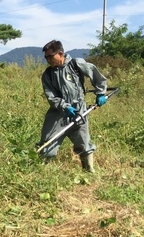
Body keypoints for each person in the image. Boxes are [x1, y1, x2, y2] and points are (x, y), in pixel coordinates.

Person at [38, 40, 107, 172]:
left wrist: (100, 93)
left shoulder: (76, 64)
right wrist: (64, 107)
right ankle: (41, 173)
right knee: (47, 146)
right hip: (58, 113)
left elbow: (96, 76)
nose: (48, 60)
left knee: (84, 144)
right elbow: (51, 97)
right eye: (46, 57)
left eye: (50, 56)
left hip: (79, 111)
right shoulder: (47, 75)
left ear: (60, 53)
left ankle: (89, 172)